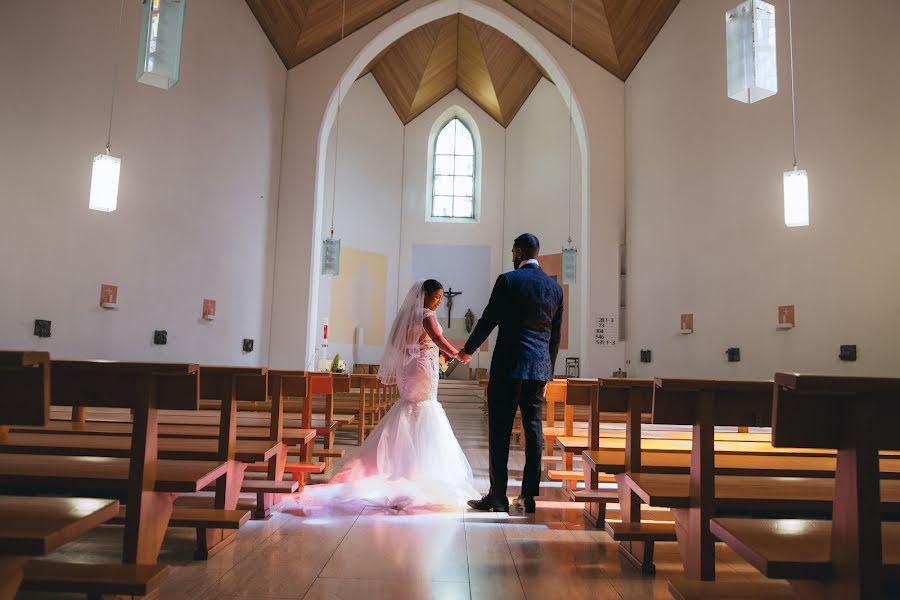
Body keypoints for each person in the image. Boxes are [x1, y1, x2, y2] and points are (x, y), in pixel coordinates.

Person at [299, 279, 478, 510]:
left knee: (410, 405)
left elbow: (396, 343)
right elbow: (436, 338)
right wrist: (457, 354)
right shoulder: (425, 315)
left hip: (411, 368)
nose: (439, 301)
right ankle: (420, 468)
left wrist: (415, 349)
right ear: (424, 295)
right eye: (436, 297)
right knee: (424, 405)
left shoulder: (405, 316)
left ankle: (401, 464)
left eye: (442, 298)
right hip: (422, 369)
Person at [458, 233, 563, 513]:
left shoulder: (508, 280)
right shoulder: (555, 289)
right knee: (533, 431)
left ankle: (498, 496)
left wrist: (467, 349)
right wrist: (547, 373)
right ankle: (528, 497)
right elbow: (555, 337)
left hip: (509, 366)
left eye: (513, 253)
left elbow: (489, 319)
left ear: (517, 252)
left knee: (500, 430)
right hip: (538, 368)